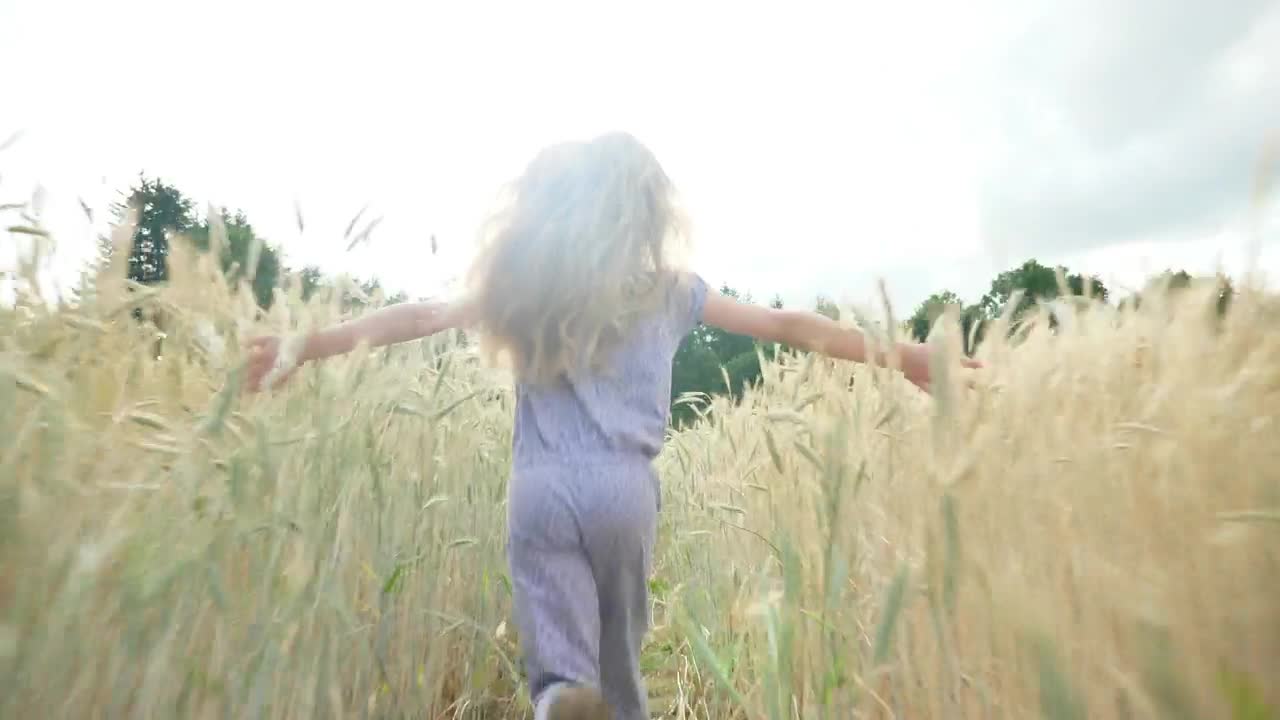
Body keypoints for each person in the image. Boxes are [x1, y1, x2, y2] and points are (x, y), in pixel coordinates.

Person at [244, 132, 979, 720]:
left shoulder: (525, 286)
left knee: (561, 664)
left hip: (541, 490)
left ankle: (562, 700)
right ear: (648, 214)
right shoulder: (671, 291)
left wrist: (301, 347)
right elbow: (788, 323)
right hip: (625, 493)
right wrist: (907, 354)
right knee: (620, 658)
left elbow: (417, 318)